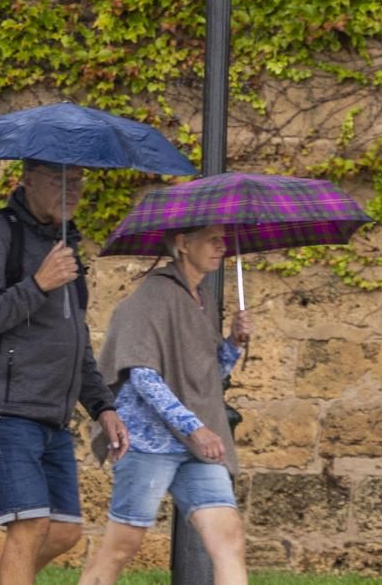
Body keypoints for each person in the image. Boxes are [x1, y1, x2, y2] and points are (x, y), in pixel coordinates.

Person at [0, 159, 129, 585]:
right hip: (2, 409)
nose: (73, 188)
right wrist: (38, 285)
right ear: (27, 180)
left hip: (50, 415)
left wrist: (102, 406)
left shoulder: (65, 244)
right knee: (29, 526)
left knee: (65, 530)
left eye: (79, 179)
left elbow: (76, 342)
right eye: (59, 179)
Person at [78, 224, 253, 585]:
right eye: (213, 239)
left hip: (194, 447)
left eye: (224, 238)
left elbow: (206, 376)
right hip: (147, 443)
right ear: (183, 244)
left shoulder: (200, 297)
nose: (223, 246)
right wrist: (196, 428)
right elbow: (142, 374)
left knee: (228, 539)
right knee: (121, 548)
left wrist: (233, 343)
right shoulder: (151, 297)